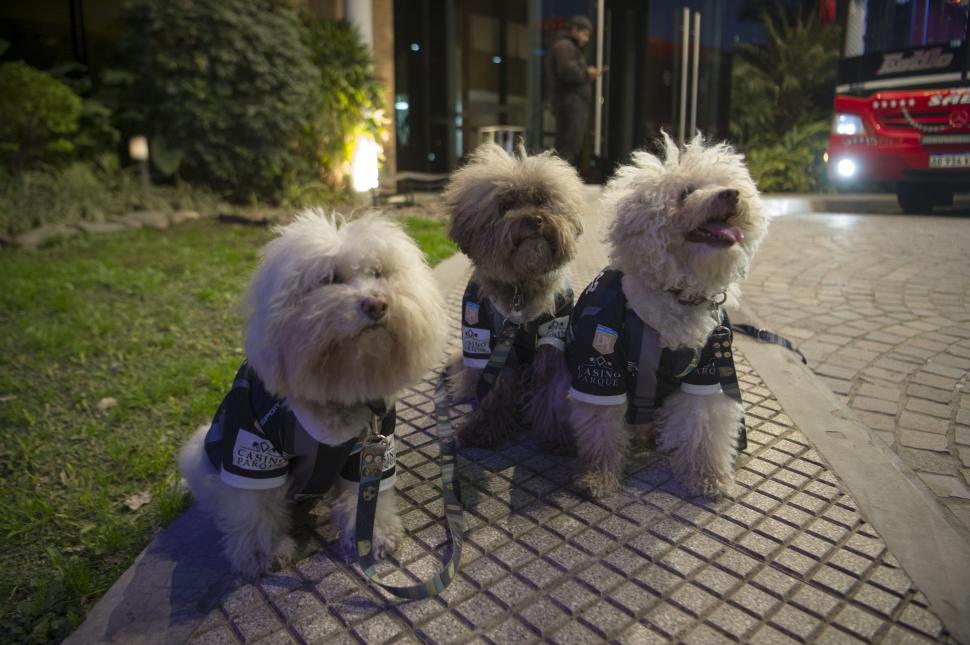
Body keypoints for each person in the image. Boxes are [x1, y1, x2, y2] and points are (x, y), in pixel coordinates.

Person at [546, 15, 601, 169]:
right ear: (575, 30)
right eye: (585, 34)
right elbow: (567, 70)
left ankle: (559, 180)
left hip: (572, 102)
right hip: (569, 102)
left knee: (570, 144)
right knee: (567, 145)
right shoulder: (564, 46)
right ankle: (558, 181)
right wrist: (586, 73)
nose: (587, 39)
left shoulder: (569, 47)